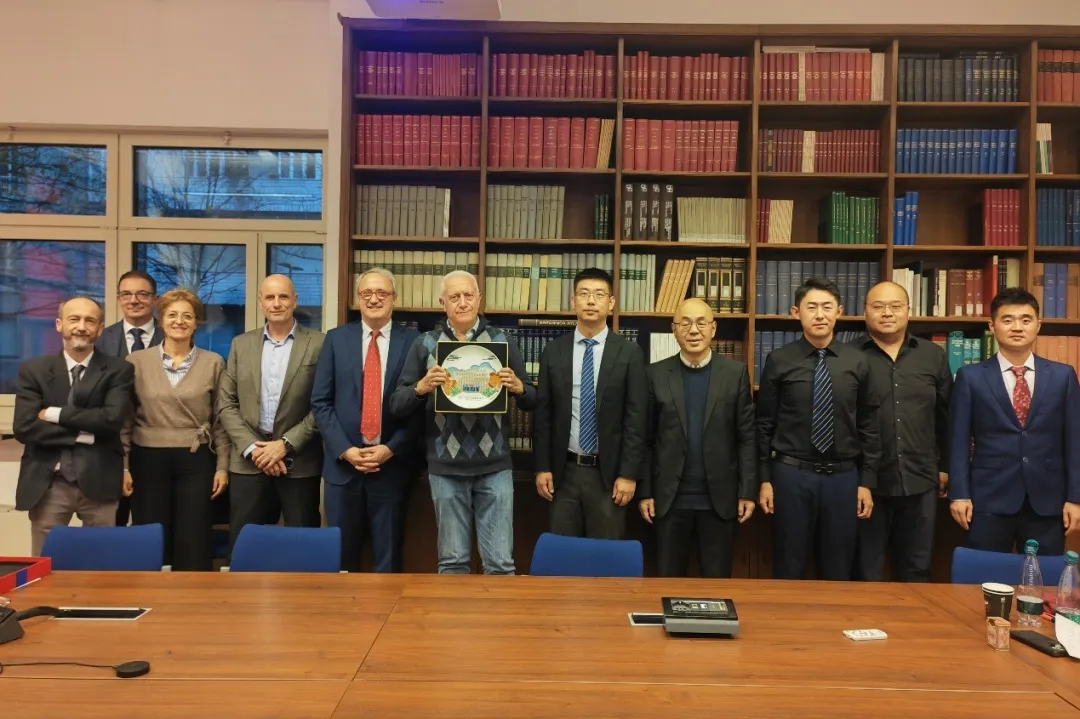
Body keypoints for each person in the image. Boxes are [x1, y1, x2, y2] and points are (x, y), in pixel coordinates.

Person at [389, 270, 535, 575]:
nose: (463, 302)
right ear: (442, 303)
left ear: (479, 299)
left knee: (500, 564)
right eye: (454, 297)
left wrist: (519, 387)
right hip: (445, 467)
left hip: (495, 466)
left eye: (468, 295)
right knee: (452, 563)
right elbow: (397, 404)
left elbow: (532, 400)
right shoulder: (425, 344)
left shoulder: (502, 341)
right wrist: (421, 387)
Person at [756, 277, 880, 580]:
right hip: (791, 475)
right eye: (811, 307)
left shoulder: (858, 361)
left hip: (843, 478)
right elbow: (764, 424)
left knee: (838, 566)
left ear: (839, 311)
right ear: (796, 312)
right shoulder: (779, 360)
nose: (820, 315)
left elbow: (869, 425)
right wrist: (764, 479)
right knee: (788, 563)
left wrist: (866, 482)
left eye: (827, 307)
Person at [948, 287, 1080, 556]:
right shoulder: (970, 377)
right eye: (1007, 320)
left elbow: (1075, 441)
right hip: (988, 499)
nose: (1017, 327)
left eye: (1026, 320)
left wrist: (1075, 498)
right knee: (984, 576)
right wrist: (959, 494)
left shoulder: (1063, 376)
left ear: (1038, 325)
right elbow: (958, 440)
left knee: (1043, 577)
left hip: (1047, 500)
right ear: (992, 326)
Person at [311, 268, 421, 572]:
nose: (374, 299)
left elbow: (420, 405)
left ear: (394, 299)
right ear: (358, 298)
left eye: (382, 293)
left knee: (388, 559)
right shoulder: (335, 339)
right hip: (343, 468)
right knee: (342, 559)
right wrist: (345, 450)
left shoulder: (414, 342)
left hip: (391, 468)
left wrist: (391, 448)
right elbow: (320, 402)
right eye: (367, 293)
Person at [638, 298, 756, 577]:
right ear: (674, 330)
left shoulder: (735, 373)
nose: (693, 330)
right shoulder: (655, 374)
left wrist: (747, 491)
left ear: (713, 329)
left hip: (720, 499)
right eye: (685, 323)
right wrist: (645, 492)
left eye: (701, 323)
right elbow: (646, 439)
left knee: (717, 584)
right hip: (669, 500)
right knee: (667, 581)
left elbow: (747, 438)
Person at [13, 297, 135, 555]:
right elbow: (24, 427)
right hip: (49, 482)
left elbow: (110, 421)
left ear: (100, 329)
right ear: (59, 324)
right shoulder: (34, 370)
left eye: (90, 321)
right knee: (45, 563)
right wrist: (84, 434)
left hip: (100, 478)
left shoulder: (118, 370)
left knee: (101, 562)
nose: (81, 326)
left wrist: (54, 413)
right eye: (74, 319)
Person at [533, 267, 647, 540]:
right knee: (563, 553)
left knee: (605, 555)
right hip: (564, 472)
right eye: (584, 294)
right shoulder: (554, 351)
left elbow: (636, 418)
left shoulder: (629, 352)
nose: (591, 301)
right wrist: (542, 467)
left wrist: (628, 475)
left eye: (599, 294)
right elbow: (543, 415)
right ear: (573, 301)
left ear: (611, 302)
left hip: (608, 475)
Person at [850, 282, 952, 582]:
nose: (887, 313)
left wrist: (945, 466)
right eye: (878, 306)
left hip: (921, 479)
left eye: (895, 306)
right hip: (866, 484)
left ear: (908, 311)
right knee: (865, 571)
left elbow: (947, 417)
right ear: (865, 312)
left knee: (917, 570)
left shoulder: (932, 355)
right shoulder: (848, 356)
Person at [217, 275, 326, 556]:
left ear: (295, 301)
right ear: (260, 302)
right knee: (244, 548)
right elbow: (226, 403)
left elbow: (323, 404)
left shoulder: (319, 343)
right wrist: (254, 449)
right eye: (270, 297)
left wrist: (285, 445)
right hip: (248, 462)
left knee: (303, 549)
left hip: (299, 462)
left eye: (283, 297)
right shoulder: (241, 344)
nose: (276, 303)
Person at [125, 289, 230, 571]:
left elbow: (221, 419)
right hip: (147, 457)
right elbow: (124, 420)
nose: (179, 321)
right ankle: (149, 594)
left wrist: (222, 467)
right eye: (172, 315)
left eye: (187, 316)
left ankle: (192, 596)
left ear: (197, 323)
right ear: (160, 321)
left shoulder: (214, 362)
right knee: (150, 536)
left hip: (196, 459)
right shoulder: (136, 362)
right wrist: (123, 465)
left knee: (194, 537)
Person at [95, 269, 163, 528]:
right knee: (111, 523)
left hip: (157, 443)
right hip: (110, 444)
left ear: (155, 299)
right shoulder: (100, 339)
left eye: (142, 294)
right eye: (126, 294)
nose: (134, 300)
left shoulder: (173, 335)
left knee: (152, 522)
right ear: (118, 298)